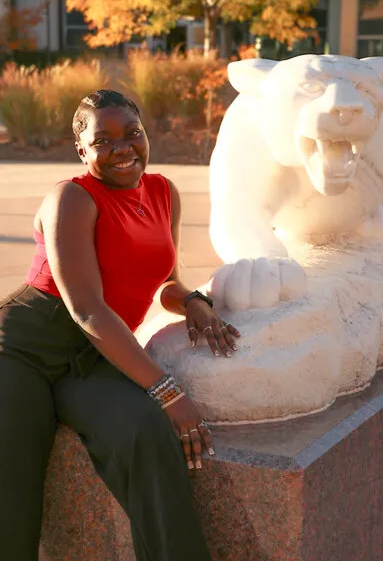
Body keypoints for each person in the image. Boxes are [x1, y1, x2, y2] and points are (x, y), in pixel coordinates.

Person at [0, 89, 240, 561]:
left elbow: (162, 281)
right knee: (12, 482)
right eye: (103, 140)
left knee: (146, 433)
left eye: (132, 133)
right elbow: (86, 309)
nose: (122, 148)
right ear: (82, 150)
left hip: (96, 353)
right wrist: (169, 392)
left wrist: (192, 300)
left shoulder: (162, 193)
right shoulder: (71, 197)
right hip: (25, 345)